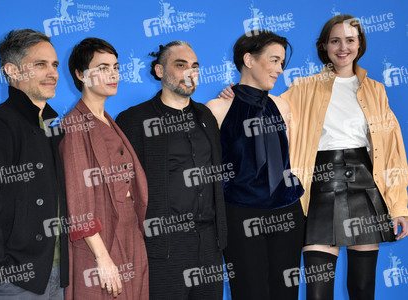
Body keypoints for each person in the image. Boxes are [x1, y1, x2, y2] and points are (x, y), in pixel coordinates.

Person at [219, 15, 408, 300]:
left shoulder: (376, 90)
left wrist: (399, 206)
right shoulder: (304, 87)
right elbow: (265, 103)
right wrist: (235, 94)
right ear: (324, 46)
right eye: (335, 41)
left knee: (363, 288)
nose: (342, 47)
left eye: (350, 40)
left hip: (365, 186)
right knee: (317, 293)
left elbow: (392, 151)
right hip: (319, 189)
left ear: (360, 45)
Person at [0, 29, 68, 299]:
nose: (52, 72)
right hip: (12, 280)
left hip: (54, 273)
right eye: (40, 64)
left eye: (54, 64)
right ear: (13, 70)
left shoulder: (51, 129)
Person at [115, 41, 227, 300]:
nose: (190, 72)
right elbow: (122, 189)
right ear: (159, 71)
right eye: (180, 65)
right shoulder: (134, 120)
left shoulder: (206, 117)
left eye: (195, 66)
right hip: (163, 246)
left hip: (209, 243)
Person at [205, 31, 305, 300]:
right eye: (273, 61)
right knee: (250, 292)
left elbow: (290, 158)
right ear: (248, 59)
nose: (279, 70)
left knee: (286, 294)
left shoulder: (283, 106)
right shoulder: (217, 108)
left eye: (282, 63)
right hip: (241, 214)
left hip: (287, 211)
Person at [59, 37, 149, 300]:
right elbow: (77, 201)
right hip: (100, 240)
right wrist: (102, 257)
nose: (113, 74)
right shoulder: (74, 125)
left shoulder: (110, 121)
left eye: (116, 67)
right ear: (80, 74)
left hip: (130, 232)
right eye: (102, 67)